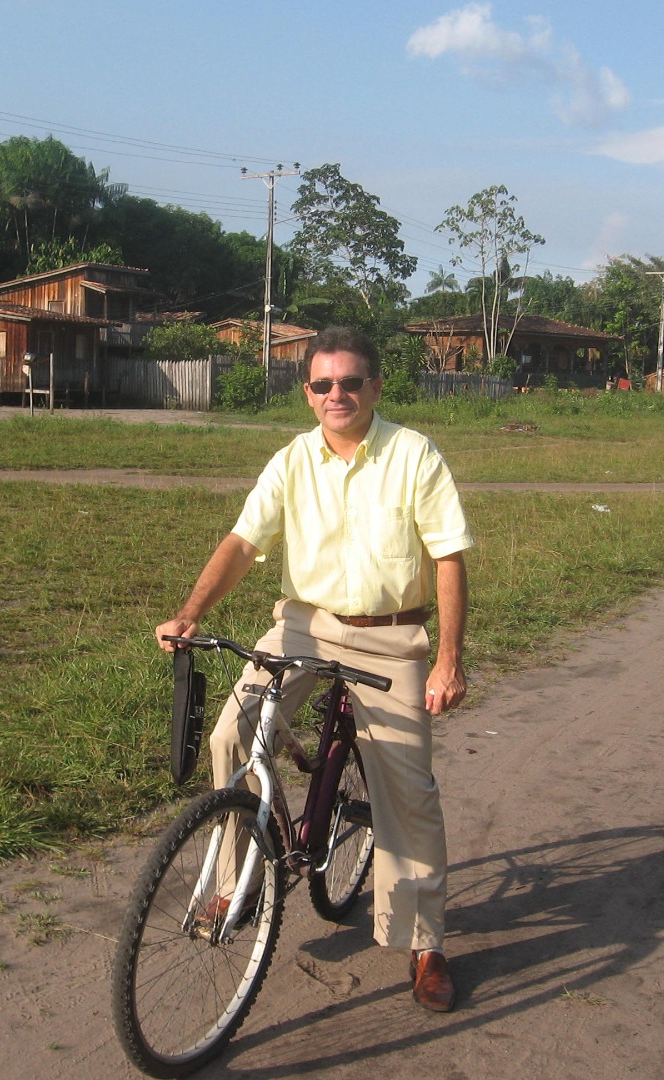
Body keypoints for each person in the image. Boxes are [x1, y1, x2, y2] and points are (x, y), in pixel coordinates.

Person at [155, 326, 471, 1012]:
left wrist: (447, 660)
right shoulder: (293, 460)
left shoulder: (414, 455)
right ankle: (236, 890)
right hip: (302, 625)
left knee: (408, 794)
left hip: (390, 638)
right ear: (307, 393)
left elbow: (449, 558)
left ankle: (425, 944)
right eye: (323, 384)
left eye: (351, 382)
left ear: (375, 387)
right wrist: (191, 612)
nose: (337, 394)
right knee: (231, 736)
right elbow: (243, 541)